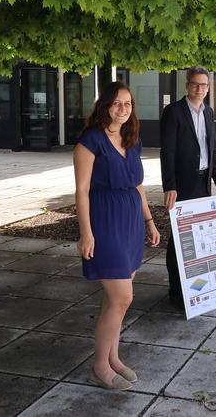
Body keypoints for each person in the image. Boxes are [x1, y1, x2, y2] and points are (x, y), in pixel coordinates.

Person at [73, 81, 160, 391]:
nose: (123, 109)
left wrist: (149, 221)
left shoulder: (131, 139)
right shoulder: (90, 140)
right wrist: (86, 233)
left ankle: (113, 357)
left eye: (128, 103)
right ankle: (99, 364)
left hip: (131, 221)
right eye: (117, 103)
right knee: (123, 296)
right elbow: (81, 190)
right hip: (105, 220)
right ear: (105, 106)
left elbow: (138, 185)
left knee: (115, 301)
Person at [160, 67, 216, 310]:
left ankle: (196, 289)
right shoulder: (174, 112)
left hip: (203, 182)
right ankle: (176, 292)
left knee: (198, 238)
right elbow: (166, 151)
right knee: (179, 238)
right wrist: (170, 185)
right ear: (187, 85)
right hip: (182, 184)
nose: (200, 89)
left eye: (204, 85)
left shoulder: (208, 112)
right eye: (196, 84)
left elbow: (212, 149)